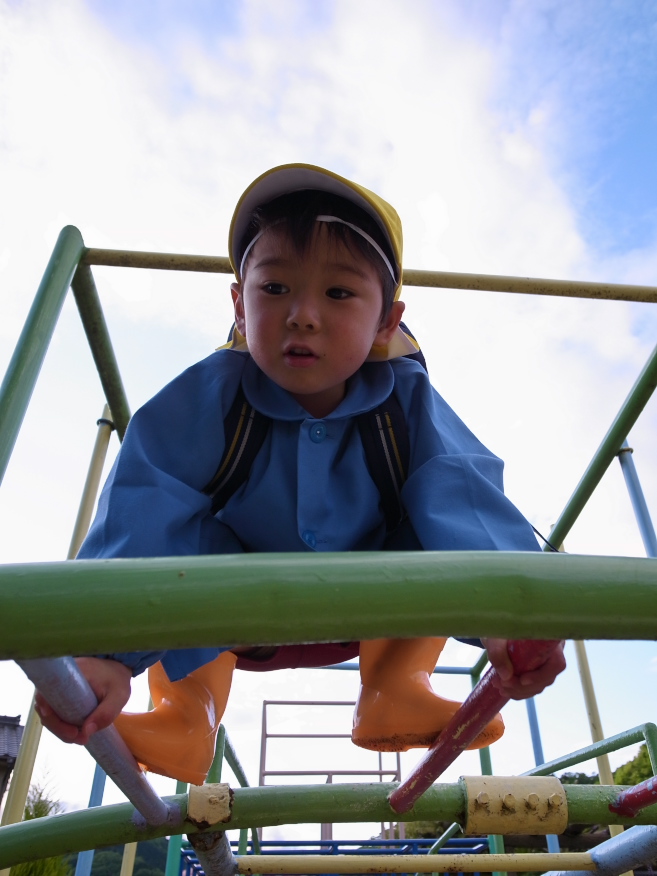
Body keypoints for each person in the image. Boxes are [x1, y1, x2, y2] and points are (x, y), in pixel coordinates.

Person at [36, 163, 566, 784]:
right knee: (177, 535)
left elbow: (464, 491)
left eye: (339, 293)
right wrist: (103, 649)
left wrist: (516, 613)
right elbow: (146, 499)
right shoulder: (214, 397)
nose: (303, 315)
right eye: (275, 288)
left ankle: (395, 686)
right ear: (240, 304)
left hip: (374, 609)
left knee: (437, 520)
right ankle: (186, 716)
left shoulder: (405, 402)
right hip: (235, 617)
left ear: (386, 321)